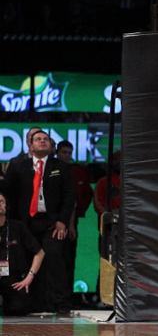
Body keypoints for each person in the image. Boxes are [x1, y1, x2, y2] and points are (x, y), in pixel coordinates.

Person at [1, 130, 76, 315]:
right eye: (38, 139)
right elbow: (9, 195)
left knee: (54, 258)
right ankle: (36, 303)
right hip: (26, 223)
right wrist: (13, 225)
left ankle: (61, 303)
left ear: (51, 145)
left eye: (45, 140)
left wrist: (62, 221)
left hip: (52, 223)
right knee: (27, 261)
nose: (42, 142)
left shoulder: (62, 167)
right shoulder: (18, 167)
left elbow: (69, 196)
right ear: (30, 145)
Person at [58, 140, 93, 306]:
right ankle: (51, 298)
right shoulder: (50, 169)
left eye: (69, 152)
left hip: (71, 221)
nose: (67, 155)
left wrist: (79, 213)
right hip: (50, 222)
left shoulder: (78, 172)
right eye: (63, 152)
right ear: (57, 152)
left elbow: (84, 195)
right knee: (52, 260)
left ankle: (68, 298)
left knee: (69, 259)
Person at [0, 192, 45, 316]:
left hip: (13, 277)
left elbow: (39, 253)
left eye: (1, 201)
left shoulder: (17, 227)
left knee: (20, 308)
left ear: (6, 207)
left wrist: (29, 277)